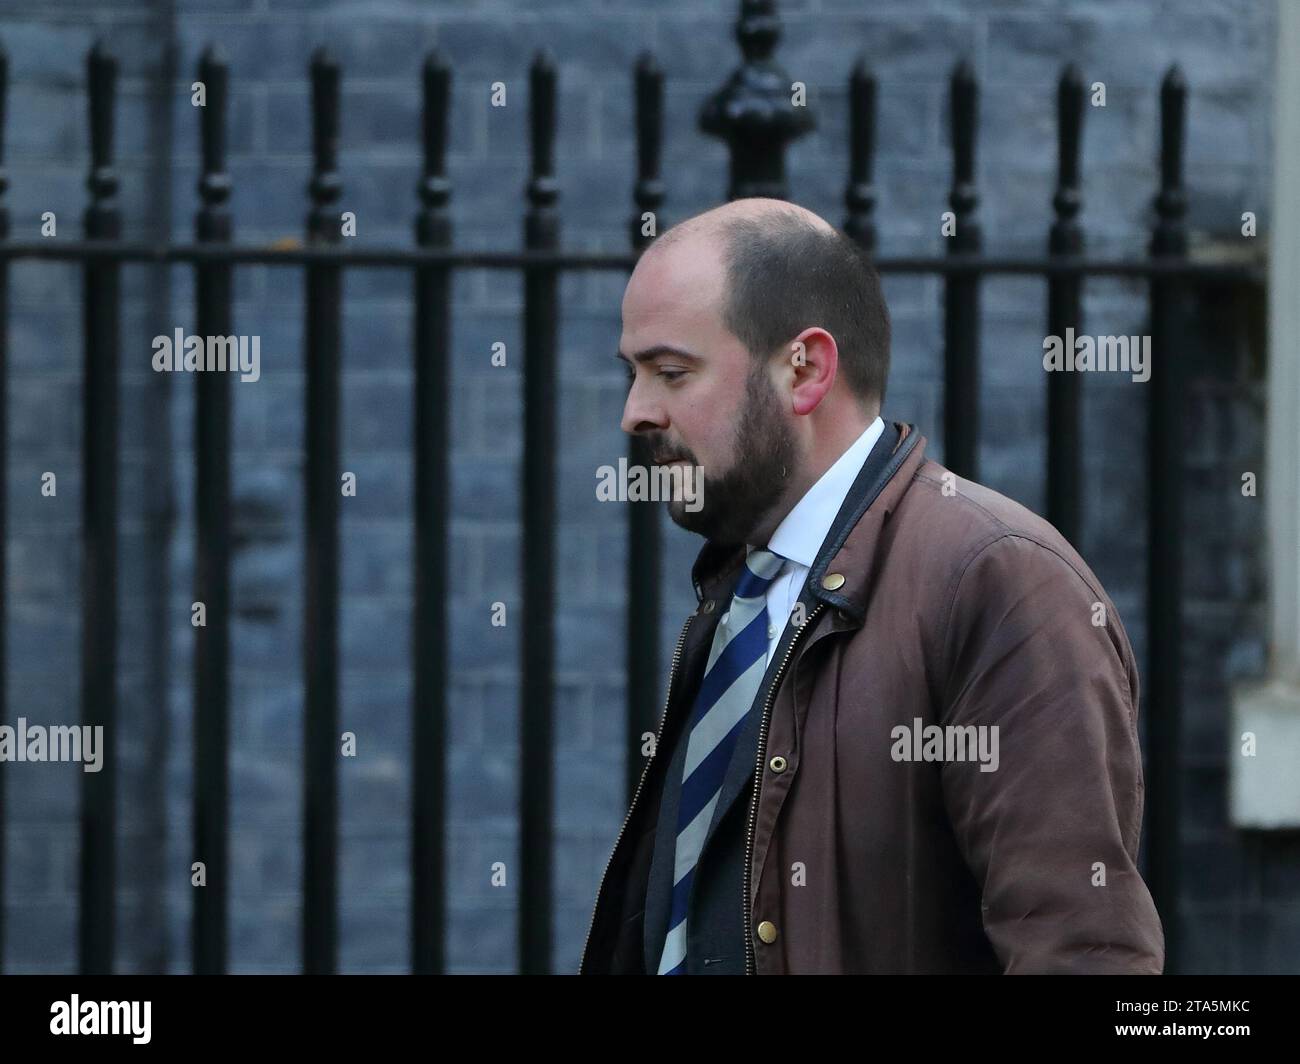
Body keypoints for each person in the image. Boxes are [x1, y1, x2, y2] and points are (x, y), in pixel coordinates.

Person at [580, 198, 1164, 975]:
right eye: (633, 374)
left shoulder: (999, 582)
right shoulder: (741, 588)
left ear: (807, 369)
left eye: (671, 372)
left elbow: (1080, 951)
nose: (635, 413)